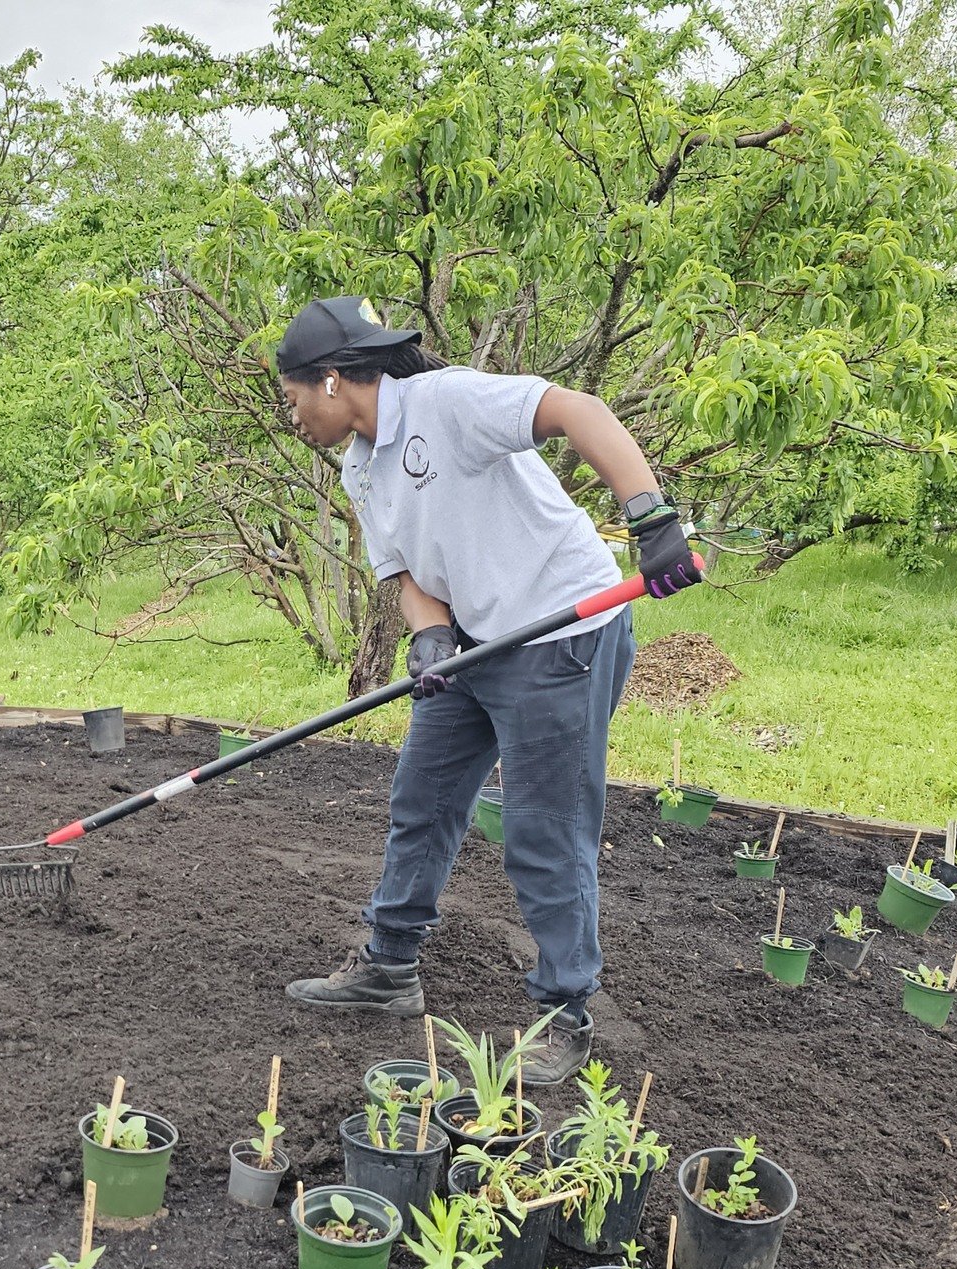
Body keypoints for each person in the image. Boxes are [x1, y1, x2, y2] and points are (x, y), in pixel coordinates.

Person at [274, 296, 700, 1085]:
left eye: (293, 395)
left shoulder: (447, 401)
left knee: (546, 830)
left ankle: (565, 1011)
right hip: (472, 644)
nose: (292, 414)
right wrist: (429, 632)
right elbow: (401, 570)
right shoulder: (359, 462)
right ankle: (389, 967)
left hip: (560, 636)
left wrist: (651, 516)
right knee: (423, 800)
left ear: (331, 381)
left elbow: (577, 408)